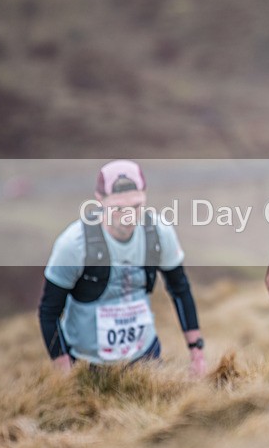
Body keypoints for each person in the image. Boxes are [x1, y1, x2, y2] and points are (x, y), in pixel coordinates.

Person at [38, 160, 207, 376]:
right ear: (100, 200)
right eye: (118, 209)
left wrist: (197, 355)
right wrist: (65, 373)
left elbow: (180, 289)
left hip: (146, 358)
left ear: (145, 196)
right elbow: (49, 312)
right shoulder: (73, 244)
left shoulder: (159, 233)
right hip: (86, 365)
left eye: (136, 207)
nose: (128, 216)